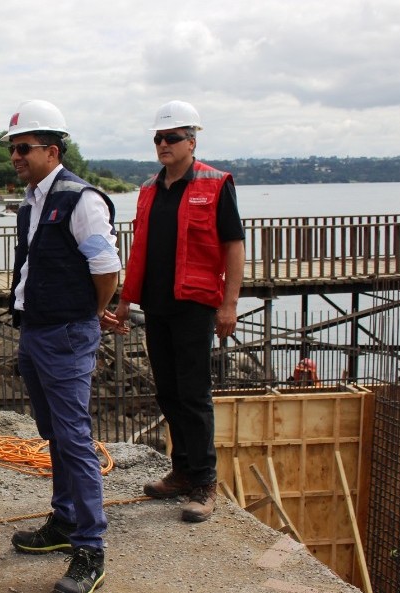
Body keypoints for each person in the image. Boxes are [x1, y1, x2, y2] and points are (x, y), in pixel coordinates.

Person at [3, 99, 122, 593]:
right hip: (36, 331)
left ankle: (90, 549)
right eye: (12, 149)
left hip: (66, 333)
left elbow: (106, 269)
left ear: (52, 150)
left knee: (73, 437)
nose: (16, 157)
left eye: (24, 148)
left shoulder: (80, 199)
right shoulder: (33, 200)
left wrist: (89, 313)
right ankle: (65, 519)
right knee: (53, 430)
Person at [113, 100, 245, 523]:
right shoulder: (151, 189)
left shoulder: (216, 183)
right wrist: (124, 299)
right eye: (158, 138)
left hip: (194, 305)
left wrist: (230, 304)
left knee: (193, 393)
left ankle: (205, 483)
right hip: (158, 303)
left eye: (171, 138)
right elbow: (141, 251)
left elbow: (234, 246)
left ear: (192, 140)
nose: (163, 144)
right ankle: (183, 470)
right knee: (167, 390)